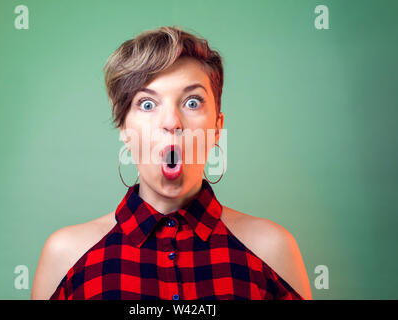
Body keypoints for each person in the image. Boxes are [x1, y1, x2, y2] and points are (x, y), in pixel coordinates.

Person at [31, 25, 312, 300]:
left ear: (216, 128)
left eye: (192, 102)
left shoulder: (272, 251)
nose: (172, 123)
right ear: (125, 131)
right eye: (148, 104)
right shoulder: (66, 257)